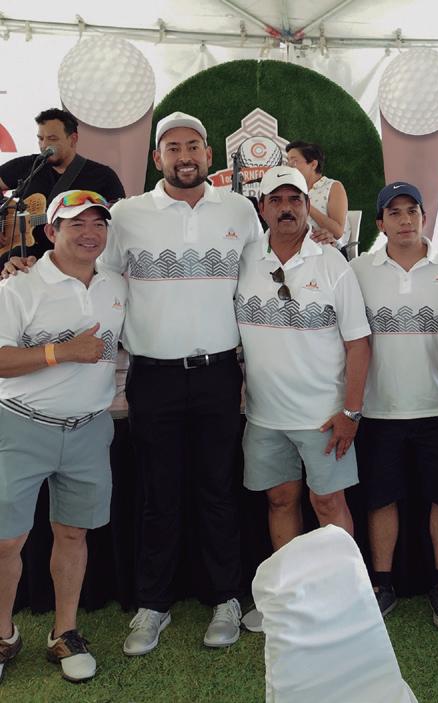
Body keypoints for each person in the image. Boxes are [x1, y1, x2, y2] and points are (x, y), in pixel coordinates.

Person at [98, 112, 262, 655]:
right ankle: (153, 605)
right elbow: (100, 275)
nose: (184, 156)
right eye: (173, 148)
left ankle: (227, 598)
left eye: (193, 146)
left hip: (218, 375)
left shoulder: (239, 210)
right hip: (153, 377)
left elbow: (264, 275)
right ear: (157, 158)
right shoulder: (126, 215)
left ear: (209, 155)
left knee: (219, 490)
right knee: (158, 494)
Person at [0, 190, 125, 683]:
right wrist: (62, 352)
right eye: (77, 224)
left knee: (73, 533)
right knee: (6, 541)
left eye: (98, 224)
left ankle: (65, 633)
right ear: (51, 231)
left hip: (89, 428)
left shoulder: (115, 284)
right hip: (20, 425)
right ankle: (4, 636)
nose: (90, 233)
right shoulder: (18, 286)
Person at [350, 182, 438, 629]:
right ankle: (382, 584)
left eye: (412, 211)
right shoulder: (358, 270)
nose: (404, 220)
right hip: (379, 409)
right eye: (394, 213)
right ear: (380, 223)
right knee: (381, 499)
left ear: (424, 217)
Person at [236, 165, 370, 550]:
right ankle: (290, 587)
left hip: (323, 417)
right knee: (280, 500)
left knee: (328, 503)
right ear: (262, 208)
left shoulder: (332, 263)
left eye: (295, 199)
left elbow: (359, 344)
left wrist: (351, 413)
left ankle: (343, 586)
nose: (286, 208)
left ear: (308, 206)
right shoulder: (244, 260)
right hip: (264, 416)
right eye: (276, 200)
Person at [0, 108, 125, 263]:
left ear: (73, 139)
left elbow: (119, 219)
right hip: (21, 257)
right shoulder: (28, 165)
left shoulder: (103, 176)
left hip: (72, 260)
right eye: (40, 139)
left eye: (52, 139)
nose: (44, 145)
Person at [285, 141, 350, 245]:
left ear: (313, 164)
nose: (289, 166)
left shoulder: (333, 187)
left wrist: (306, 205)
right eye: (288, 161)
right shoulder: (290, 190)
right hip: (295, 247)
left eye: (294, 161)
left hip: (327, 249)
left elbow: (337, 232)